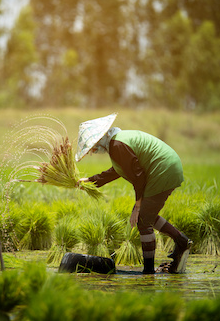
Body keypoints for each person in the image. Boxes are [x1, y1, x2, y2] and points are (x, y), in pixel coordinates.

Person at [76, 113, 192, 274]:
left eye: (92, 146)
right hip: (167, 167)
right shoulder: (117, 142)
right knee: (147, 214)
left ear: (101, 137)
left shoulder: (117, 145)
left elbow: (138, 176)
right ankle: (181, 241)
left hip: (163, 170)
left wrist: (137, 206)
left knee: (143, 220)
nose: (93, 151)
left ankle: (149, 271)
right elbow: (117, 171)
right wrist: (90, 180)